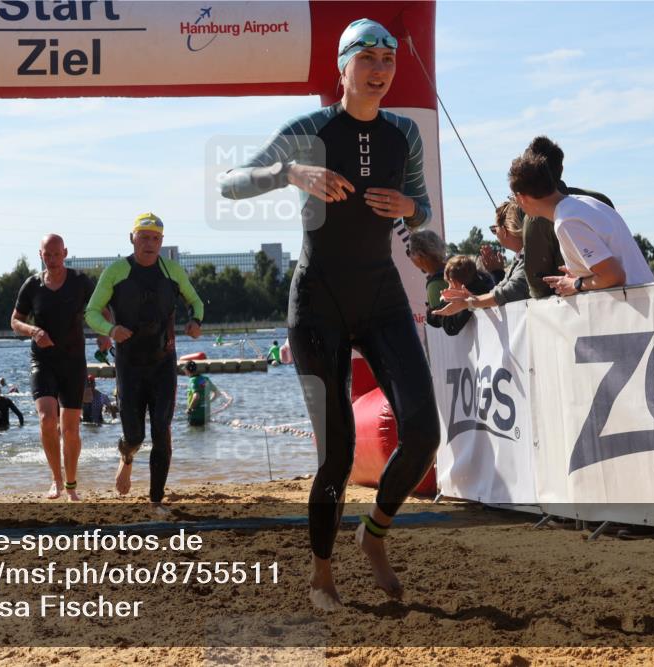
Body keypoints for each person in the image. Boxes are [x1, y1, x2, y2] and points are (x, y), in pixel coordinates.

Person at [219, 19, 441, 610]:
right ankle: (322, 574)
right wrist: (290, 172)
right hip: (317, 302)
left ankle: (375, 536)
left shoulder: (403, 133)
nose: (379, 69)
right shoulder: (309, 128)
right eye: (366, 58)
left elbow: (418, 212)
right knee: (337, 453)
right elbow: (229, 185)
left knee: (425, 433)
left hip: (382, 296)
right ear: (342, 68)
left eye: (388, 60)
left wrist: (411, 207)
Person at [85, 212, 204, 509]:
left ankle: (155, 500)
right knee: (134, 435)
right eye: (144, 237)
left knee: (161, 429)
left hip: (163, 362)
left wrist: (195, 321)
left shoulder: (172, 270)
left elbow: (196, 301)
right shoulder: (116, 271)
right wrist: (112, 329)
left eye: (155, 238)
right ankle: (127, 457)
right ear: (132, 238)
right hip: (129, 365)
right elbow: (91, 312)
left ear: (161, 241)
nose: (149, 244)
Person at [10, 233, 102, 500]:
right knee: (47, 419)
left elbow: (101, 307)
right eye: (46, 254)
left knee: (71, 430)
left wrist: (105, 331)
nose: (51, 259)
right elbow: (15, 321)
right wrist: (33, 330)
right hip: (43, 360)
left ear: (65, 253)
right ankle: (56, 480)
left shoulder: (80, 282)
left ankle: (71, 484)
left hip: (73, 362)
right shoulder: (32, 286)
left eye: (56, 254)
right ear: (40, 255)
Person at [508, 152, 654, 295]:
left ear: (522, 197)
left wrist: (575, 284)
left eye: (513, 197)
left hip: (634, 309)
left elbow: (614, 276)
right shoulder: (583, 202)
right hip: (646, 300)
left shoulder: (566, 221)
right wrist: (580, 275)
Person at [519, 136, 615, 298]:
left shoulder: (535, 217)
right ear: (561, 168)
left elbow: (539, 286)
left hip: (576, 310)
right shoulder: (599, 200)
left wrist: (575, 284)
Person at [435, 200, 530, 315]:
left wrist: (469, 302)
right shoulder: (520, 258)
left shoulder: (529, 258)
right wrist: (471, 299)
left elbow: (509, 293)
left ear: (505, 231)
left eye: (494, 229)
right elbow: (497, 292)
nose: (495, 234)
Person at [409, 229, 449, 328]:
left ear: (419, 255)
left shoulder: (435, 284)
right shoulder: (455, 268)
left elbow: (441, 327)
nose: (410, 257)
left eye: (410, 252)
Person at [184, 360, 220, 426]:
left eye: (185, 370)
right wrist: (209, 401)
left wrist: (189, 409)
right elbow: (217, 393)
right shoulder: (205, 379)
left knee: (194, 434)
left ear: (187, 371)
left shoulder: (193, 380)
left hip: (195, 416)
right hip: (206, 416)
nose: (184, 372)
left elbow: (196, 396)